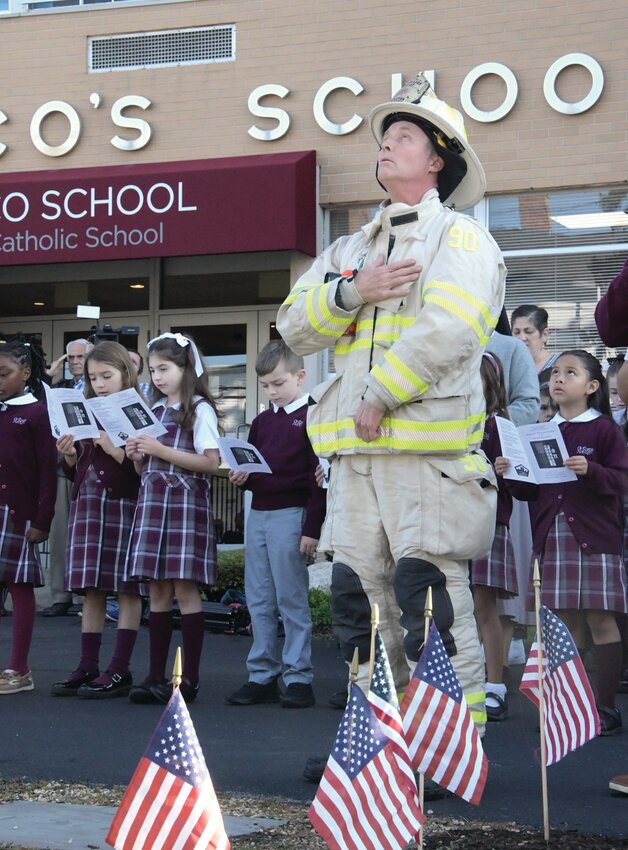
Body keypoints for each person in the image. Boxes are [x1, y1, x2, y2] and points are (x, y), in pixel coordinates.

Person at [277, 73, 505, 728]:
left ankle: (449, 748)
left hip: (426, 460)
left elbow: (451, 329)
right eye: (383, 137)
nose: (385, 146)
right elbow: (294, 325)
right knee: (357, 601)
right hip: (355, 460)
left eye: (402, 136)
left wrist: (380, 394)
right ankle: (375, 746)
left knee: (428, 601)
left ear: (437, 159)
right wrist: (354, 291)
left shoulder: (460, 239)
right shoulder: (351, 251)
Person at [523, 350, 628, 735]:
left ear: (592, 386)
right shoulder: (543, 428)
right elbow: (531, 489)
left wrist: (593, 471)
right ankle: (569, 708)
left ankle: (604, 709)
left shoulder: (603, 429)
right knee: (561, 624)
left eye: (571, 373)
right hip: (553, 535)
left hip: (594, 536)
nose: (559, 379)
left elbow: (622, 480)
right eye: (555, 373)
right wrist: (510, 473)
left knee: (600, 618)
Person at [226, 340, 326, 709]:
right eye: (266, 385)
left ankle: (299, 676)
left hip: (291, 514)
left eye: (279, 383)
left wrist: (311, 528)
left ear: (300, 376)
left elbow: (320, 480)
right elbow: (257, 470)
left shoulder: (313, 417)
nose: (272, 392)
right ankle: (262, 674)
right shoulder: (263, 421)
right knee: (259, 596)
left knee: (291, 598)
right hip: (260, 514)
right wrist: (243, 478)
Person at [124, 332, 221, 705]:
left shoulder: (199, 409)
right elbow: (143, 470)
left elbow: (211, 462)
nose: (158, 377)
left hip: (183, 505)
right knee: (157, 589)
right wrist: (137, 454)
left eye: (164, 368)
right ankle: (154, 676)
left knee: (184, 587)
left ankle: (190, 679)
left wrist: (159, 449)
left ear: (186, 368)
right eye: (153, 370)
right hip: (153, 504)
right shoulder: (153, 409)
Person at [50, 342, 143, 699]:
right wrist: (70, 455)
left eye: (107, 375)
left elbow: (141, 470)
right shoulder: (84, 407)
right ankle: (88, 664)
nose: (100, 383)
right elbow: (75, 468)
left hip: (122, 502)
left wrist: (112, 447)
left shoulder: (135, 410)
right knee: (91, 586)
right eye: (93, 377)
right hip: (87, 501)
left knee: (125, 586)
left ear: (125, 372)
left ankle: (119, 668)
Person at [471, 353, 534, 721]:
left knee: (483, 607)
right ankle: (464, 682)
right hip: (448, 523)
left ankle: (495, 685)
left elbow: (524, 485)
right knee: (454, 607)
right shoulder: (448, 422)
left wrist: (503, 471)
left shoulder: (497, 425)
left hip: (488, 523)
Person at [0, 339, 57, 694]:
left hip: (18, 515)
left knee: (19, 590)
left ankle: (19, 669)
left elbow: (48, 473)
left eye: (4, 374)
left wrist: (42, 520)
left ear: (26, 373)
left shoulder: (37, 412)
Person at [43, 338, 92, 618]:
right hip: (64, 464)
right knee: (61, 531)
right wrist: (48, 377)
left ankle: (89, 593)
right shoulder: (58, 389)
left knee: (88, 532)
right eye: (70, 357)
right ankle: (61, 594)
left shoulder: (99, 387)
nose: (75, 362)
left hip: (95, 466)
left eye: (80, 356)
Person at [511, 304, 560, 380]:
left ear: (544, 334)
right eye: (517, 332)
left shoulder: (559, 366)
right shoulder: (508, 367)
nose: (522, 338)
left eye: (529, 332)